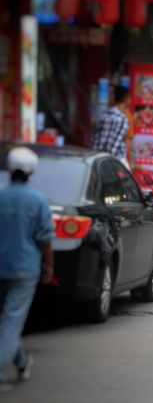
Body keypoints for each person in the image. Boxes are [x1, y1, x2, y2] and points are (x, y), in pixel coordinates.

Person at [0, 147, 54, 391]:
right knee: (11, 322)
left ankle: (21, 362)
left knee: (7, 322)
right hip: (24, 268)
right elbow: (45, 239)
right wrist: (49, 265)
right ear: (32, 172)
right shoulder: (38, 200)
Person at [91, 85, 131, 169]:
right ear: (126, 99)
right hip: (113, 162)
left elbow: (94, 140)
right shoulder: (122, 119)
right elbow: (114, 146)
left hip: (96, 159)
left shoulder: (103, 115)